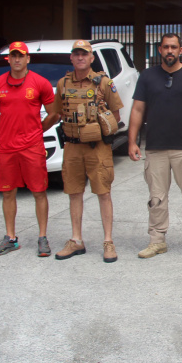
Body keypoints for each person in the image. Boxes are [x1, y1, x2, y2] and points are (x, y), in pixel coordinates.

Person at [129, 33, 182, 261]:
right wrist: (132, 141)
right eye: (165, 47)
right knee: (156, 199)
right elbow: (137, 110)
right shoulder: (147, 77)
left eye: (174, 47)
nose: (169, 51)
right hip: (155, 148)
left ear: (181, 49)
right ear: (159, 50)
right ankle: (157, 241)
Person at [53, 40, 124, 263]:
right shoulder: (62, 84)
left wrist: (99, 128)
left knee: (103, 192)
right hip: (72, 147)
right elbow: (56, 114)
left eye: (85, 54)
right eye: (76, 54)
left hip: (98, 148)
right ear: (71, 58)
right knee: (74, 192)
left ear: (92, 58)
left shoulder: (104, 83)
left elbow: (116, 115)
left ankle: (108, 241)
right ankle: (76, 240)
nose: (80, 57)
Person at [0, 41, 58, 257]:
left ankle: (42, 237)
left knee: (39, 192)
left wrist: (37, 130)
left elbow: (54, 113)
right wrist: (8, 130)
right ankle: (10, 237)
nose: (17, 59)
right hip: (8, 148)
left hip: (33, 146)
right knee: (8, 192)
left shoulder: (40, 83)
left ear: (28, 59)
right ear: (8, 59)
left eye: (21, 55)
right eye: (13, 55)